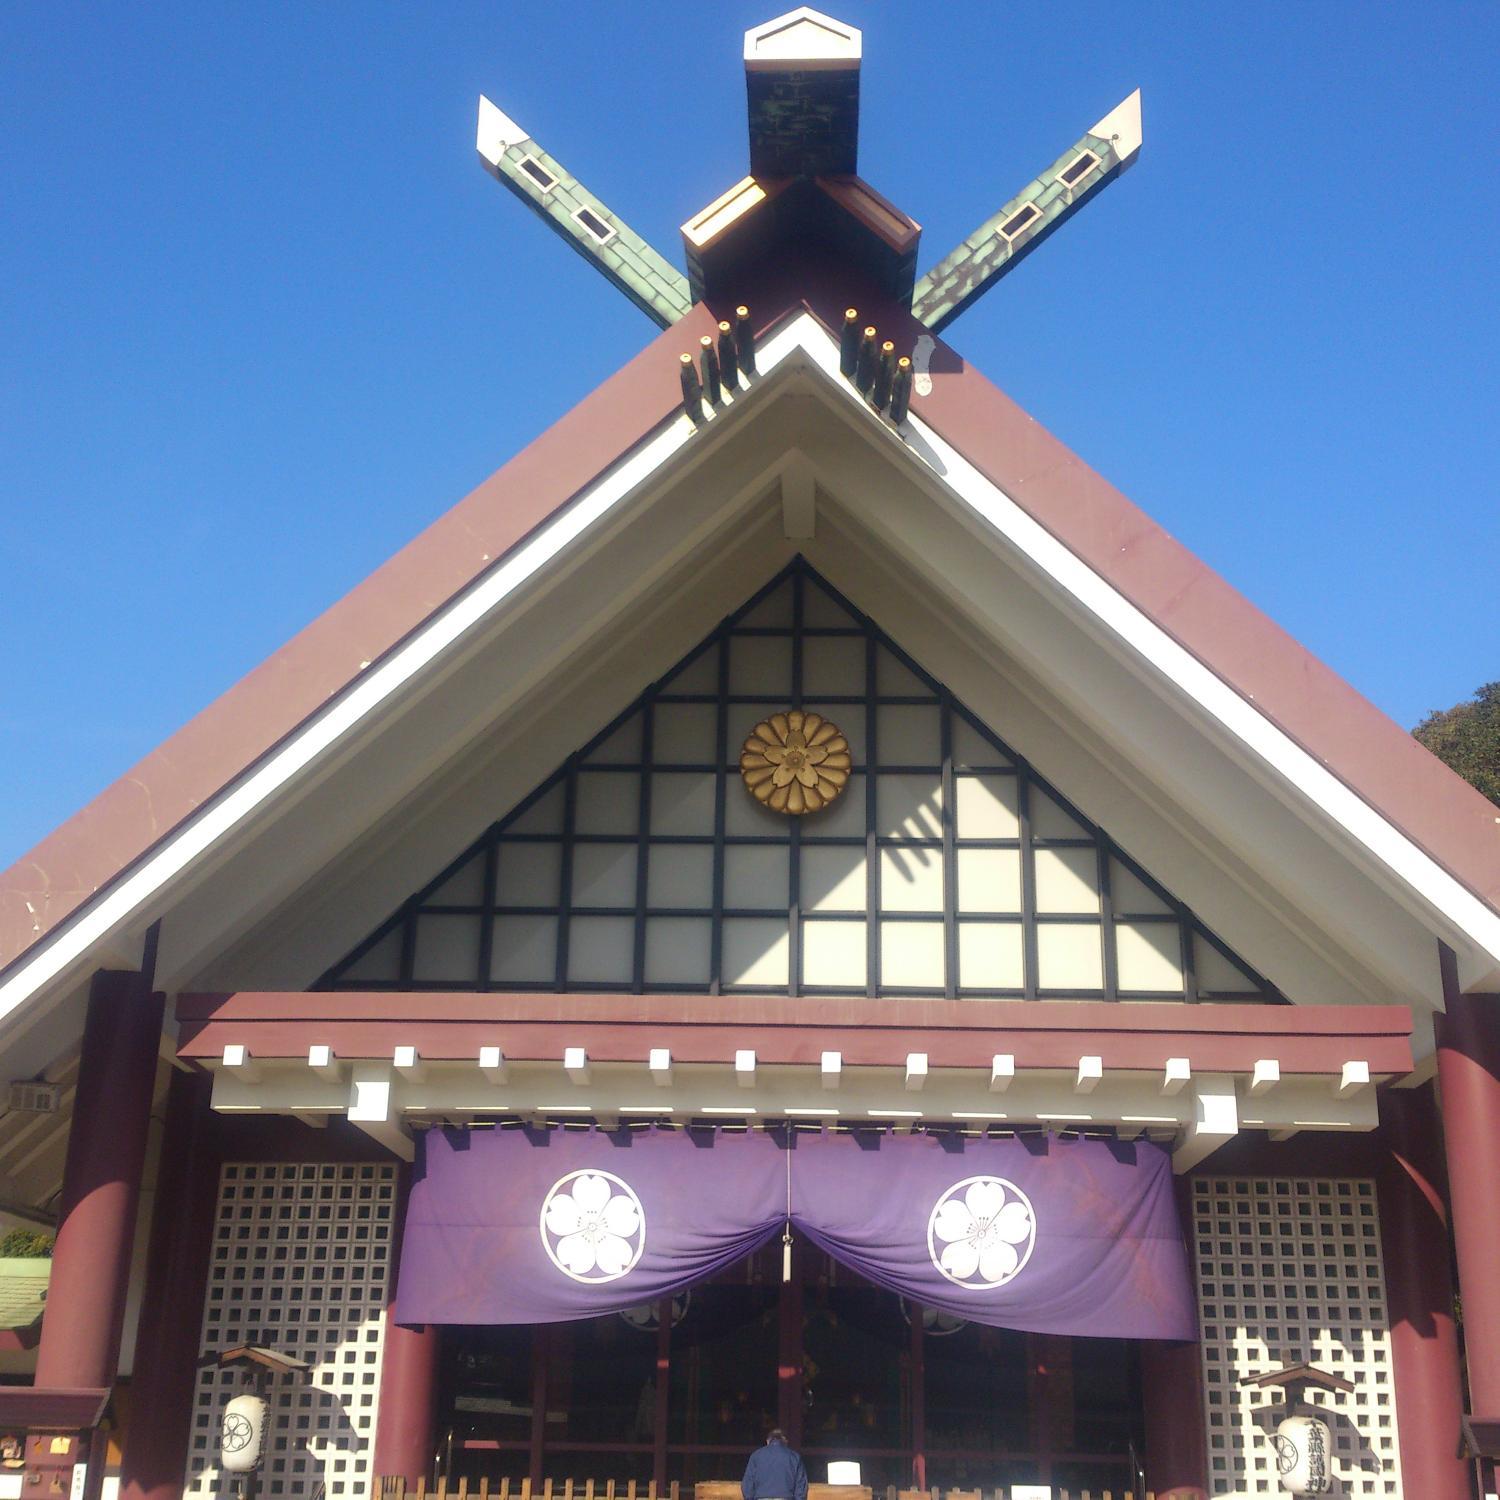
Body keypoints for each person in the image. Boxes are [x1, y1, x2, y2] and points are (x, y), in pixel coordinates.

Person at [741, 1429, 809, 1500]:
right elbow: (801, 1485)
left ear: (767, 1441)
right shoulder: (794, 1457)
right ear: (785, 1441)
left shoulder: (756, 1456)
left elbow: (748, 1483)